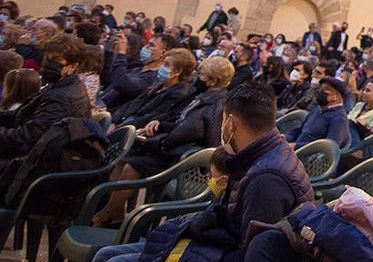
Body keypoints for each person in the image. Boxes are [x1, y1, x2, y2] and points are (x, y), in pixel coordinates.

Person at [128, 82, 313, 262]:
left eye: (222, 119)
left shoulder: (266, 180)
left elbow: (250, 253)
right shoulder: (262, 153)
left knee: (111, 257)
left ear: (231, 123)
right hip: (222, 244)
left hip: (225, 252)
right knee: (110, 254)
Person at [93, 56, 235, 226]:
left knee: (133, 166)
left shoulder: (217, 105)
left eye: (202, 75)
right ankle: (113, 211)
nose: (197, 77)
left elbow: (212, 140)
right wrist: (160, 124)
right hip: (170, 146)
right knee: (122, 162)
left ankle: (109, 213)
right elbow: (179, 119)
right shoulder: (202, 95)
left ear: (212, 81)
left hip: (182, 157)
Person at [92, 147, 233, 262]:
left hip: (196, 249)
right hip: (186, 241)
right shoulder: (223, 195)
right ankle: (113, 212)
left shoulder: (243, 192)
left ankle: (111, 213)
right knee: (104, 254)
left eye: (211, 175)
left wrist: (163, 139)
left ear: (224, 181)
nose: (208, 179)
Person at [0, 33, 90, 165]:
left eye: (56, 61)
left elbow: (27, 137)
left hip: (35, 162)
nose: (48, 64)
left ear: (72, 66)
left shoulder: (61, 97)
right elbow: (24, 114)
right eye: (47, 58)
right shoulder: (65, 85)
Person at [114, 47, 197, 130]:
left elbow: (152, 116)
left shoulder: (179, 93)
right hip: (126, 120)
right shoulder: (159, 83)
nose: (161, 67)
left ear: (177, 72)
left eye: (166, 65)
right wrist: (114, 120)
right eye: (162, 63)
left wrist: (122, 127)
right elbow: (134, 102)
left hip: (135, 127)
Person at [100, 32, 174, 110]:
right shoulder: (137, 68)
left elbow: (123, 84)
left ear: (163, 53)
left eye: (151, 45)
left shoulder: (154, 78)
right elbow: (111, 79)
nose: (145, 47)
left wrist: (121, 53)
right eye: (147, 44)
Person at [287, 76, 350, 148]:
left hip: (306, 156)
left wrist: (296, 146)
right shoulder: (317, 109)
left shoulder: (339, 118)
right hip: (293, 149)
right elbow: (299, 130)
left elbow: (329, 147)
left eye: (324, 91)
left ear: (336, 96)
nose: (320, 92)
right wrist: (285, 138)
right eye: (320, 89)